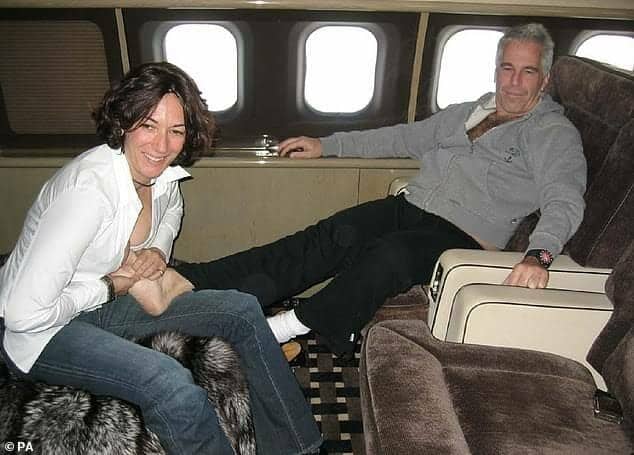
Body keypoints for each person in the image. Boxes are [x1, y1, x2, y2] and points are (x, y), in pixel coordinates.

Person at [156, 23, 587, 358]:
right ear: (496, 70)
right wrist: (327, 146)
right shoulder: (468, 112)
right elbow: (400, 138)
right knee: (329, 235)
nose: (514, 82)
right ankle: (197, 281)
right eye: (507, 68)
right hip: (411, 208)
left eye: (527, 71)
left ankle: (280, 329)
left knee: (391, 255)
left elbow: (565, 199)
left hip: (463, 239)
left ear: (545, 79)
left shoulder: (552, 133)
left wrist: (540, 255)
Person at [0, 62, 322, 454]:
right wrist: (108, 286)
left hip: (103, 306)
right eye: (148, 125)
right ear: (123, 122)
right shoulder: (87, 194)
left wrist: (156, 250)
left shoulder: (163, 176)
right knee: (170, 384)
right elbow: (22, 315)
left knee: (242, 310)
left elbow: (171, 214)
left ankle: (300, 449)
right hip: (43, 334)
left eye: (176, 131)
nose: (162, 145)